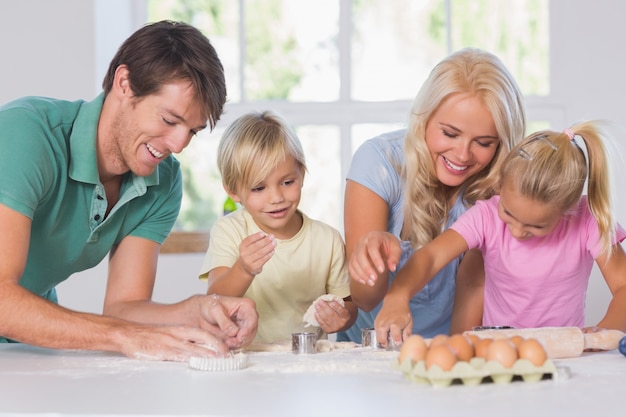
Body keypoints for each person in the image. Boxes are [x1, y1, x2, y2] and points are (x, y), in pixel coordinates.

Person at [0, 20, 258, 361]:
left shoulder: (162, 181)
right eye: (169, 120)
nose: (178, 145)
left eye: (192, 131)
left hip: (23, 340)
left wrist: (199, 310)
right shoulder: (26, 135)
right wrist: (123, 337)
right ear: (125, 83)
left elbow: (124, 308)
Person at [372, 122, 626, 342]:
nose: (516, 231)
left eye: (536, 226)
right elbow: (430, 257)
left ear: (568, 209)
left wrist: (604, 331)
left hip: (562, 355)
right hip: (496, 354)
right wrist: (398, 296)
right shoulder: (485, 216)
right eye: (509, 213)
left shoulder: (588, 221)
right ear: (500, 185)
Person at [338, 47, 526, 344]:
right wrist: (373, 260)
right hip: (371, 347)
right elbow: (365, 300)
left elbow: (475, 290)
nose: (462, 154)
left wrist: (455, 357)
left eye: (483, 142)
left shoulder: (500, 187)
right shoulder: (379, 161)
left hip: (450, 343)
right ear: (424, 118)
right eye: (450, 134)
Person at [199, 110, 357, 343]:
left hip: (307, 360)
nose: (276, 197)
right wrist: (244, 269)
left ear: (301, 175)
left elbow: (348, 305)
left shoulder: (328, 240)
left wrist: (343, 318)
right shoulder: (229, 231)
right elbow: (215, 298)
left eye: (287, 182)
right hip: (247, 358)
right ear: (233, 191)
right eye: (258, 188)